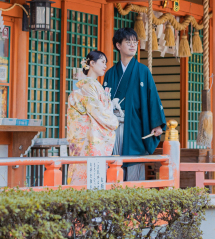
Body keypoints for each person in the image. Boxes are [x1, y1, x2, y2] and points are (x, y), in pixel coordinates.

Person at [102, 27, 166, 181]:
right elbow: (103, 102)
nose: (133, 45)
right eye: (128, 42)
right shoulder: (110, 73)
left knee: (134, 163)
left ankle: (133, 192)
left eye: (134, 42)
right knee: (114, 162)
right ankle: (114, 191)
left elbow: (152, 98)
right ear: (118, 45)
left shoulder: (143, 71)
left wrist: (157, 124)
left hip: (135, 125)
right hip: (113, 126)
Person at [66, 50, 120, 185]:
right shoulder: (88, 85)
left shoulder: (94, 85)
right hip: (88, 138)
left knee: (91, 176)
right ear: (92, 63)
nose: (105, 66)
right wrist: (114, 120)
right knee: (86, 176)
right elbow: (97, 111)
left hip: (91, 136)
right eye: (102, 62)